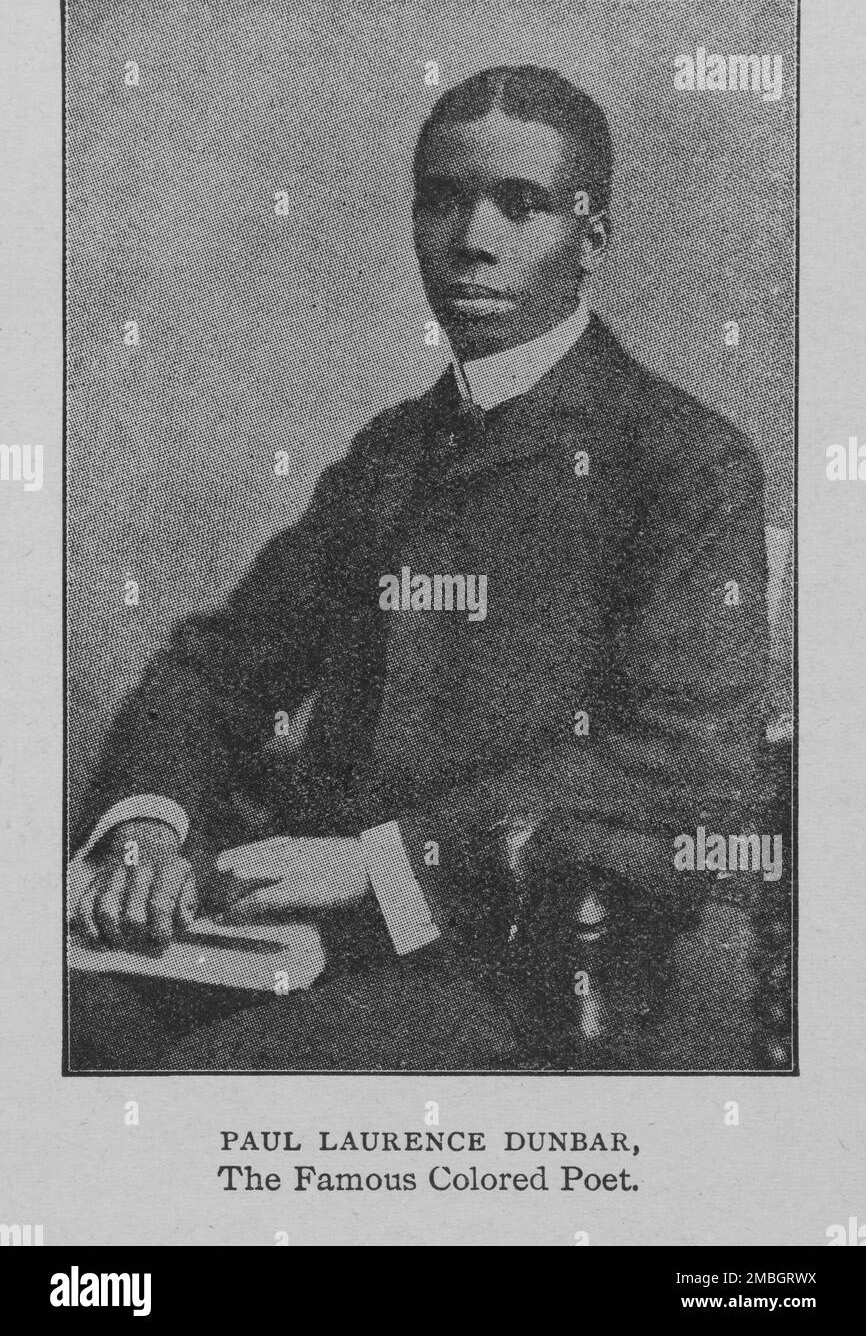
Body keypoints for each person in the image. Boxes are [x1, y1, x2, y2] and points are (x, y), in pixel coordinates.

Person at [68, 65, 771, 1071]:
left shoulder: (683, 463)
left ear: (592, 240)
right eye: (442, 199)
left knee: (201, 1094)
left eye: (518, 205)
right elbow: (215, 669)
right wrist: (144, 829)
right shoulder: (390, 453)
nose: (471, 238)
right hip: (297, 936)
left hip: (530, 965)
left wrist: (378, 863)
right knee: (62, 1028)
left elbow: (681, 760)